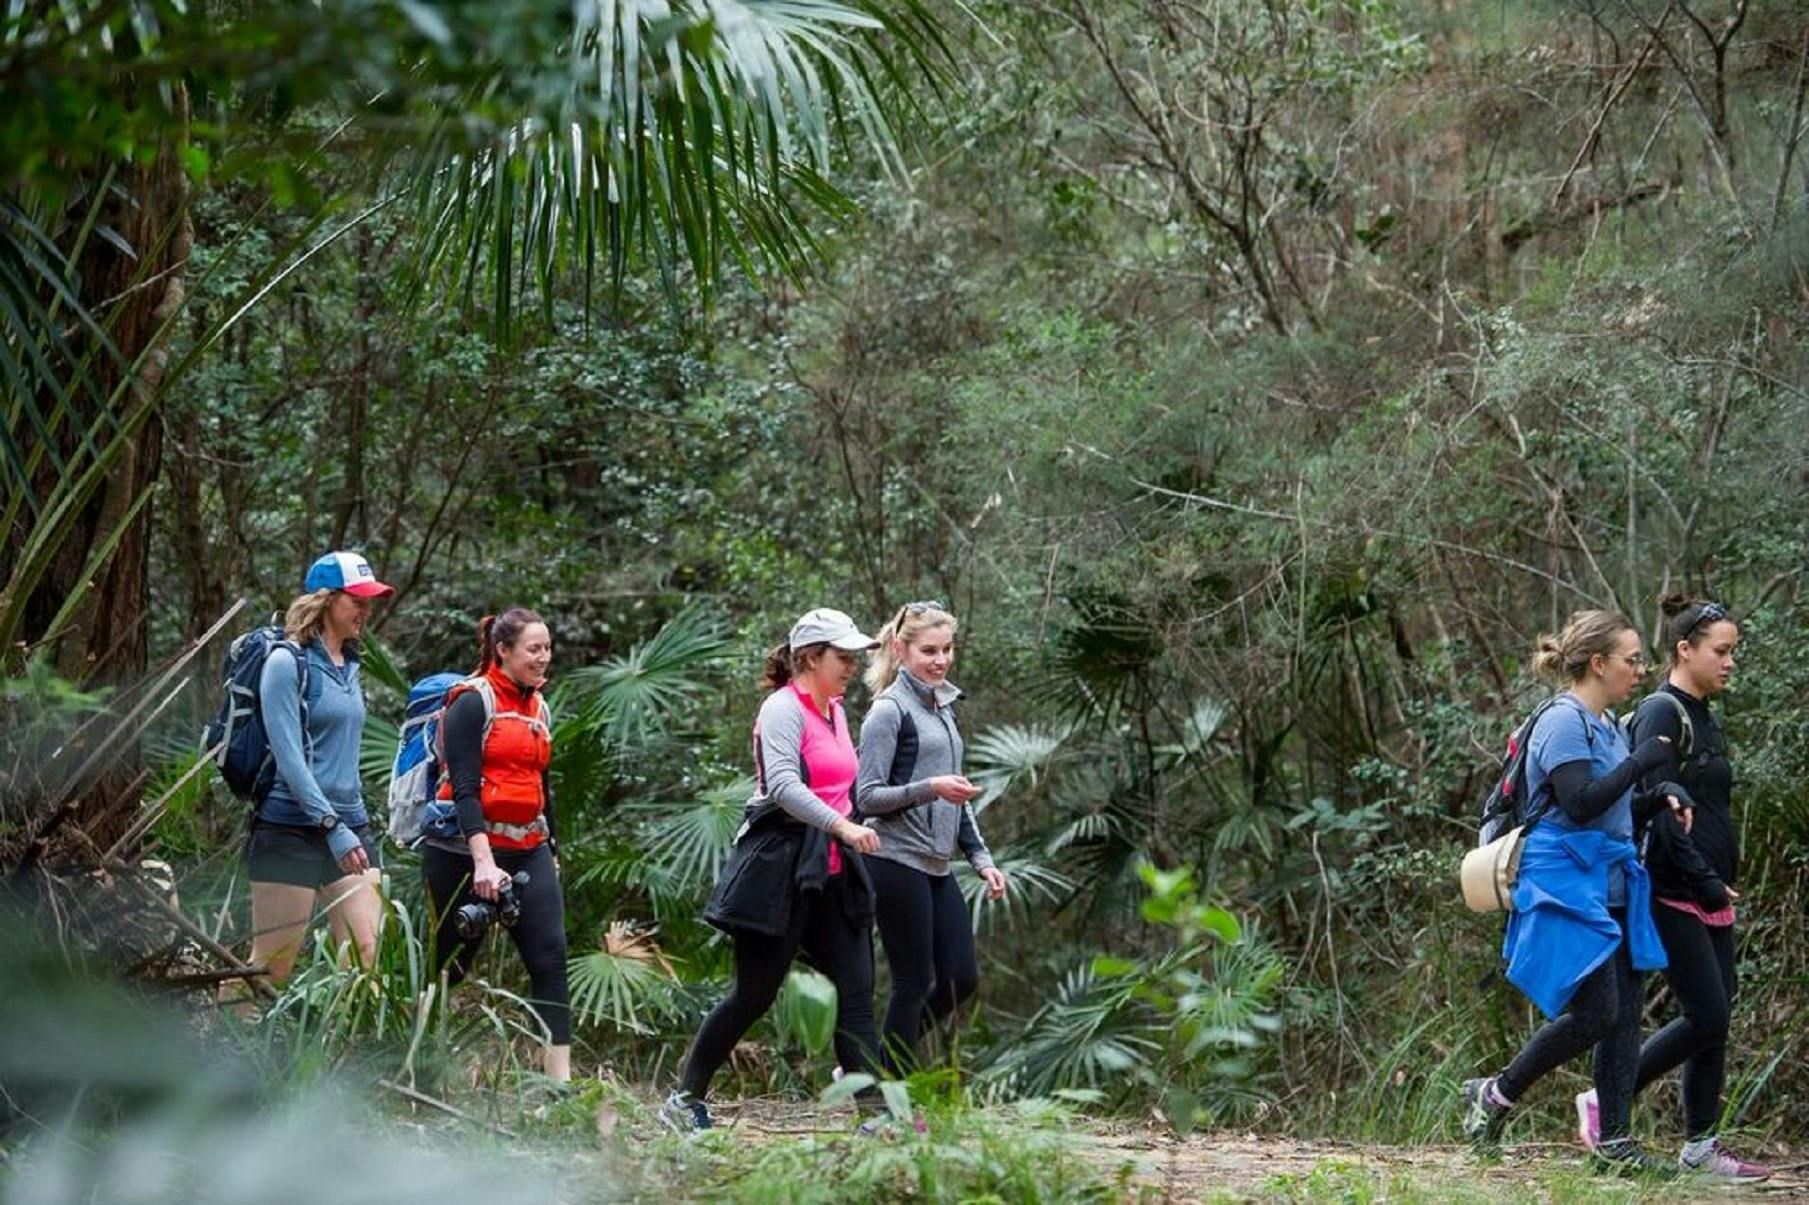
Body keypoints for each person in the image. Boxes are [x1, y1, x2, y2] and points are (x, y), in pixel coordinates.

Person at [1460, 610, 1694, 1176]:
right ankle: (1493, 1094)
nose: (1640, 669)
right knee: (1596, 1012)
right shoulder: (1564, 721)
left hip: (1610, 877)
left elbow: (1614, 810)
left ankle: (1615, 1143)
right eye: (1631, 660)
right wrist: (1643, 760)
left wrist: (1659, 794)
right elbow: (1581, 803)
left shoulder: (1608, 723)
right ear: (1598, 663)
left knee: (1625, 1013)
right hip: (1563, 879)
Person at [663, 608, 886, 1132]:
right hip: (780, 869)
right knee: (754, 995)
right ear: (810, 657)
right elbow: (784, 786)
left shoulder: (836, 710)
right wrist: (842, 826)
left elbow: (844, 787)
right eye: (842, 656)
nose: (851, 666)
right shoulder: (781, 710)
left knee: (856, 994)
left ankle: (878, 1119)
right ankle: (684, 1099)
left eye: (853, 657)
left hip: (833, 870)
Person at [1572, 598, 1769, 1181]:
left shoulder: (1705, 715)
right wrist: (1705, 880)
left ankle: (1700, 1147)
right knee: (1706, 1013)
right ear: (1685, 650)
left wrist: (1719, 881)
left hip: (1710, 890)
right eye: (1721, 651)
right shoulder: (1662, 711)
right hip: (1671, 886)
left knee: (1718, 1017)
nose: (1730, 662)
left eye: (1733, 651)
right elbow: (1657, 812)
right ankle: (1605, 1097)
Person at [420, 608, 571, 1082]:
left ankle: (560, 1089)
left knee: (550, 959)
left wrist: (552, 851)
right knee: (451, 963)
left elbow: (542, 785)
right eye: (533, 649)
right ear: (503, 650)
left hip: (528, 846)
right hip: (463, 851)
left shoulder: (538, 707)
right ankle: (420, 1065)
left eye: (547, 648)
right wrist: (483, 863)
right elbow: (465, 789)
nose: (543, 657)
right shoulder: (472, 702)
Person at [856, 600, 1006, 1074]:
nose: (941, 660)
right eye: (929, 651)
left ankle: (875, 1069)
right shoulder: (888, 712)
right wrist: (930, 788)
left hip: (938, 865)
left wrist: (981, 859)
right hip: (895, 859)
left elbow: (955, 793)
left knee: (961, 979)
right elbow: (867, 798)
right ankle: (887, 1095)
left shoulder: (943, 707)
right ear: (901, 651)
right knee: (913, 982)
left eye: (947, 649)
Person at [239, 551, 392, 991]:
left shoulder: (352, 665)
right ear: (325, 600)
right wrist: (330, 825)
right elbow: (290, 759)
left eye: (368, 601)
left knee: (366, 956)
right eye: (356, 600)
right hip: (290, 828)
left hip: (350, 825)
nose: (365, 610)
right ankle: (225, 1031)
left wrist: (348, 823)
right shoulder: (286, 663)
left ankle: (347, 1036)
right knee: (272, 967)